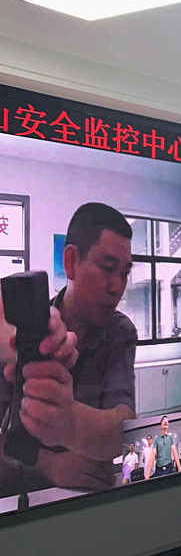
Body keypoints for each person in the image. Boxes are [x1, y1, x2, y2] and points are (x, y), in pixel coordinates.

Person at [0, 202, 136, 491]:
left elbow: (124, 428)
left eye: (124, 273)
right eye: (107, 268)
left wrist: (69, 422)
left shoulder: (119, 332)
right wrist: (47, 464)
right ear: (71, 262)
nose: (117, 286)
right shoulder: (19, 332)